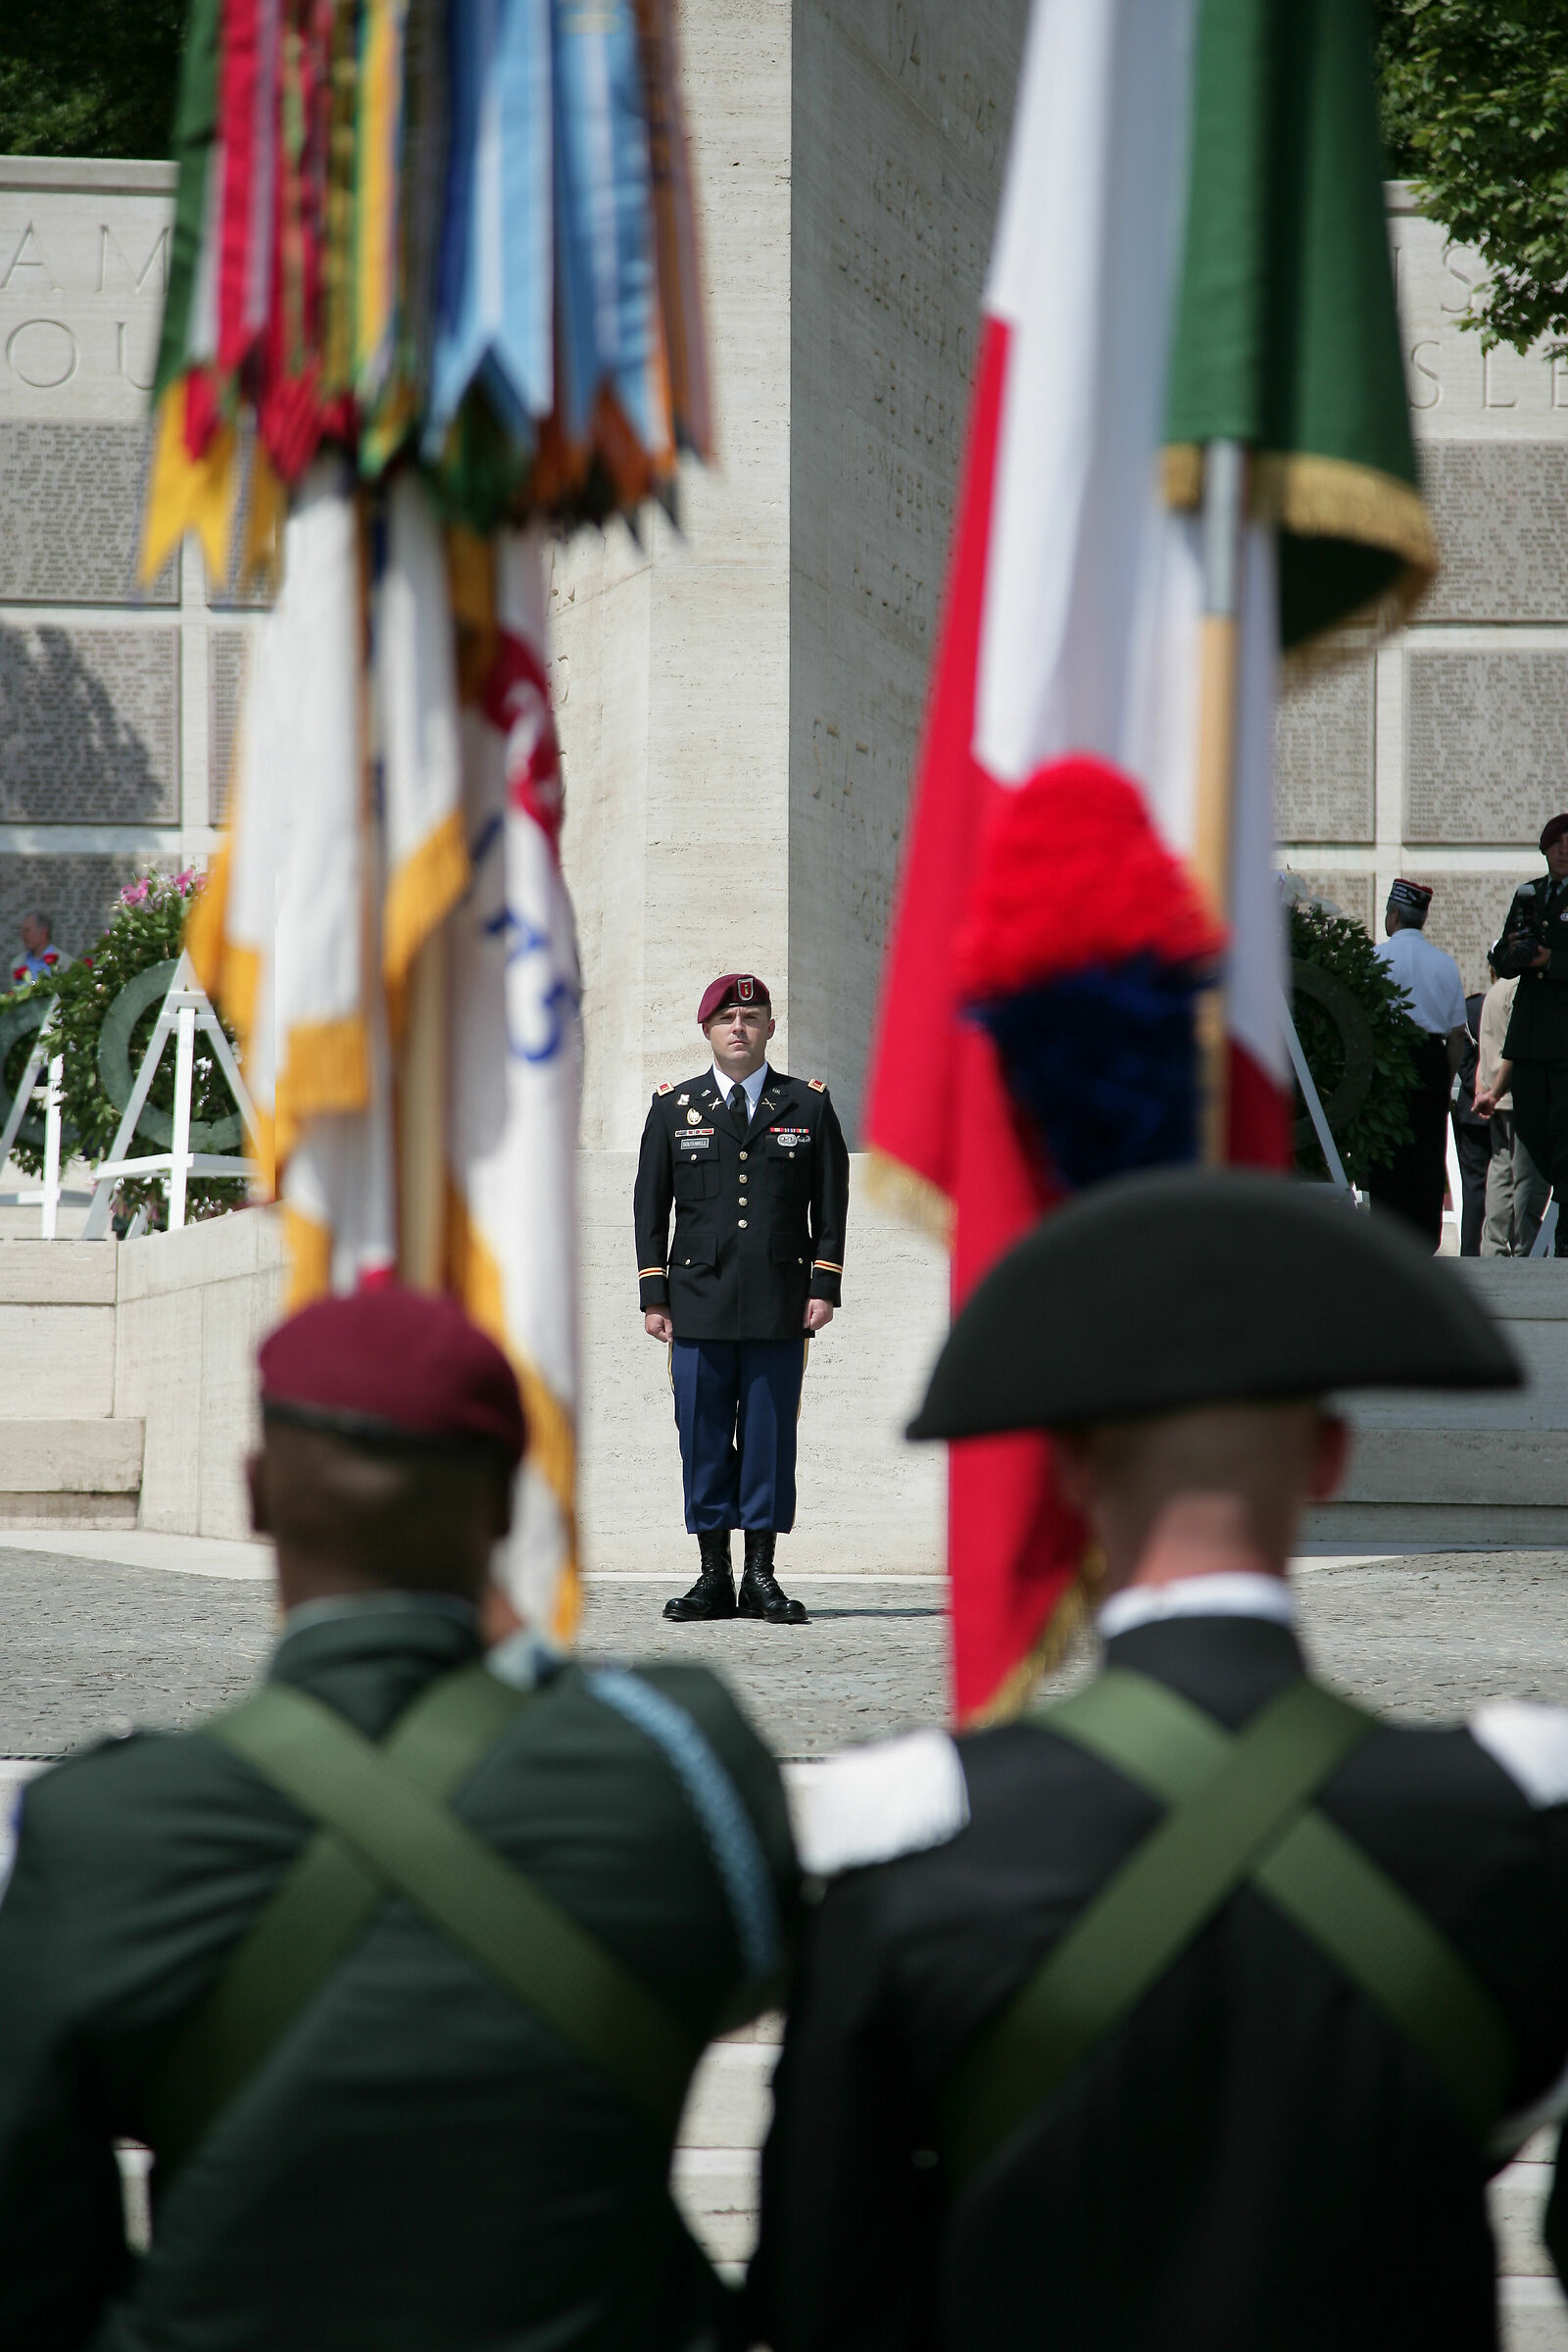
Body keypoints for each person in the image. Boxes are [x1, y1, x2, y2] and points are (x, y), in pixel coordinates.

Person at [750, 1166, 1568, 2352]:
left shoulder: (918, 1838)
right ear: (1329, 1460)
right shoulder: (1510, 1822)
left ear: (1073, 1471)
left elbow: (821, 2283)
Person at [0, 1286, 797, 2352]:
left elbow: (34, 2263)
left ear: (254, 1497)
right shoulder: (683, 1760)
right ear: (510, 1505)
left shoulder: (99, 1827)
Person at [634, 973, 850, 1627]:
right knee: (702, 1438)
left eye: (751, 1018)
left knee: (767, 1438)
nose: (739, 1028)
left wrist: (824, 1285)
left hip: (780, 1301)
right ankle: (713, 1576)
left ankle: (760, 1575)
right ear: (707, 1030)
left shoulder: (806, 1106)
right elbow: (650, 1207)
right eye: (727, 1018)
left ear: (770, 1030)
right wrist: (655, 1294)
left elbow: (832, 1205)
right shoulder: (675, 1108)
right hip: (697, 1300)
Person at [1366, 878, 1469, 1250]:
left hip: (1388, 1058)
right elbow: (1457, 1034)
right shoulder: (1444, 964)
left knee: (1387, 1150)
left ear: (1394, 915)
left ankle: (1386, 1238)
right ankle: (1424, 1239)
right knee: (1428, 1153)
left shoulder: (1375, 958)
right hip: (1431, 1060)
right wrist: (1446, 1082)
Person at [1493, 814, 1568, 1255]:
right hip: (1531, 1038)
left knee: (1565, 1132)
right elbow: (1509, 947)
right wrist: (1509, 956)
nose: (1562, 850)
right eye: (1555, 843)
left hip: (1564, 1041)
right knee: (1533, 1130)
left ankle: (1564, 1234)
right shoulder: (1530, 893)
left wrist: (1549, 961)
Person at [1473, 960, 1548, 1256]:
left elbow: (1486, 1046)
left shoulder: (1493, 991)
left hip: (1496, 1096)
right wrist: (1497, 1091)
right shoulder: (1519, 989)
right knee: (1528, 1178)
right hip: (1516, 1094)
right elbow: (1513, 1050)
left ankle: (1493, 1246)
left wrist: (1485, 1089)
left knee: (1501, 1173)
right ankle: (1526, 1247)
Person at [1450, 981, 1489, 1255]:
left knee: (1474, 1187)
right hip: (1511, 1110)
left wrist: (1478, 1090)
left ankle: (1471, 1250)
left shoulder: (1471, 1007)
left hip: (1472, 1109)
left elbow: (1463, 1063)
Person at [11, 908, 67, 986]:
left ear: (43, 932)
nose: (23, 935)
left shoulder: (65, 963)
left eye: (27, 930)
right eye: (23, 931)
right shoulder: (17, 963)